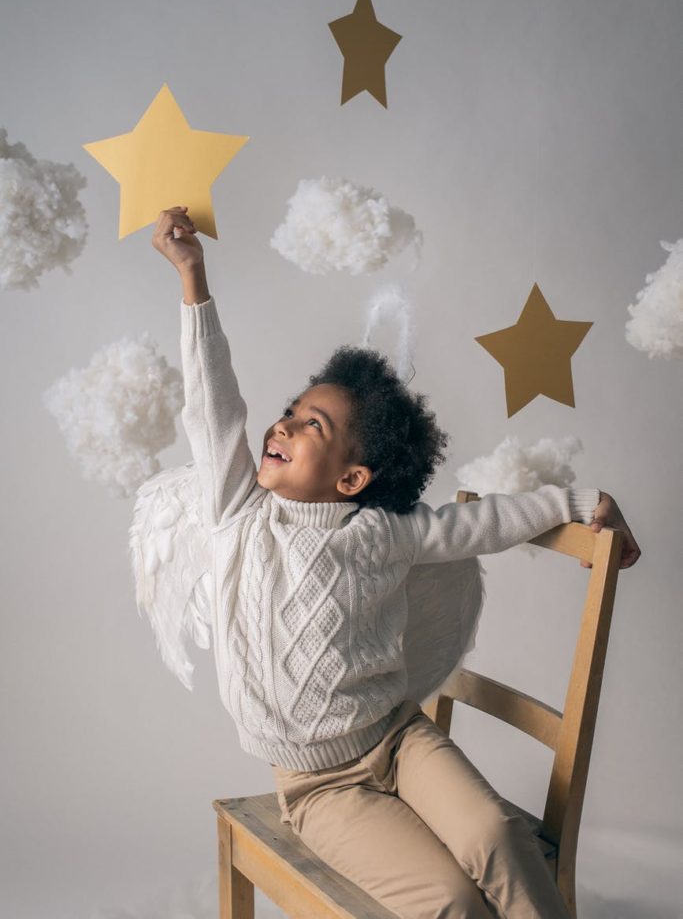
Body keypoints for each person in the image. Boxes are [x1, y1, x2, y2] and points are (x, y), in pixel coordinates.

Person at [152, 206, 641, 919]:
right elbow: (213, 408)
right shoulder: (239, 517)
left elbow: (484, 523)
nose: (281, 425)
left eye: (309, 425)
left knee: (500, 836)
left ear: (352, 479)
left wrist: (579, 499)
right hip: (318, 787)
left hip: (401, 739)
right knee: (447, 900)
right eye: (289, 412)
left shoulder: (384, 534)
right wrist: (193, 279)